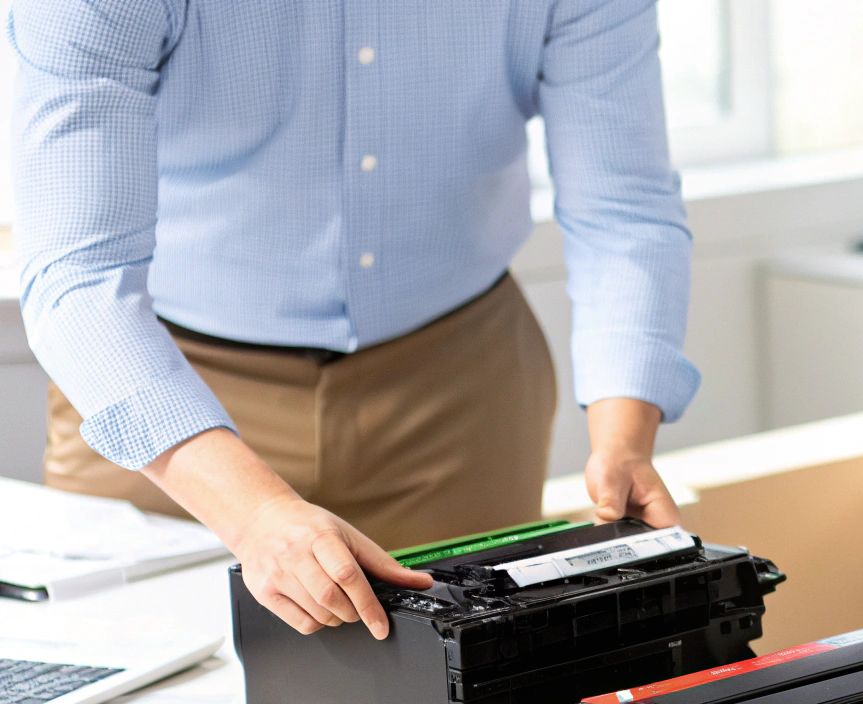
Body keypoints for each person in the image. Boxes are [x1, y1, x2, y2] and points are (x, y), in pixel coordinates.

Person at [9, 1, 695, 641]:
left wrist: (623, 436)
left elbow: (624, 206)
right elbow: (78, 274)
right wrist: (251, 511)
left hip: (459, 389)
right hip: (169, 401)